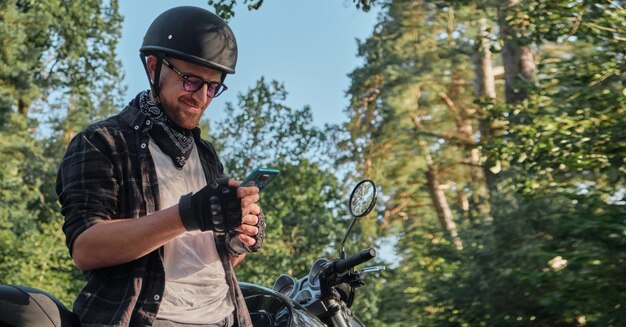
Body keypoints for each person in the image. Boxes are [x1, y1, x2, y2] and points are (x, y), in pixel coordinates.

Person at [55, 6, 263, 327]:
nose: (202, 97)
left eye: (213, 87)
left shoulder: (206, 154)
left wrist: (238, 239)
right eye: (192, 81)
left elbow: (211, 262)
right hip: (147, 318)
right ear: (154, 66)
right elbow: (86, 248)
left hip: (226, 316)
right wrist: (188, 214)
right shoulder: (102, 142)